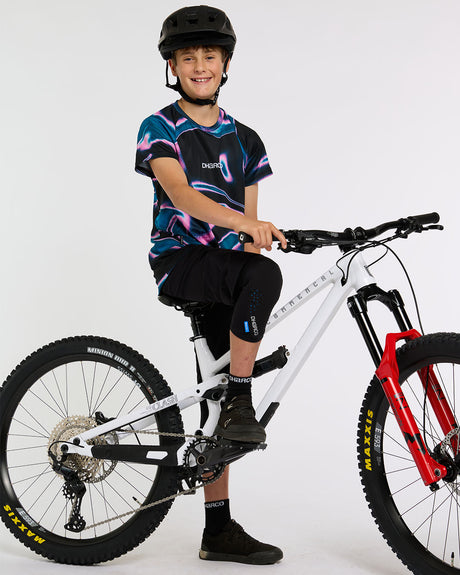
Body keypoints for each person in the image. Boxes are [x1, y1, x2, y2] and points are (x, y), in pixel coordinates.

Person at [135, 5, 286, 565]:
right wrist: (247, 229)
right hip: (180, 260)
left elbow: (249, 228)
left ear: (225, 64)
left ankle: (217, 530)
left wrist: (254, 239)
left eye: (210, 56)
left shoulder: (246, 139)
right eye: (188, 57)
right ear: (172, 67)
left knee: (215, 404)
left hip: (227, 270)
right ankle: (243, 398)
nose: (200, 65)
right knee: (263, 277)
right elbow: (181, 195)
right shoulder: (159, 127)